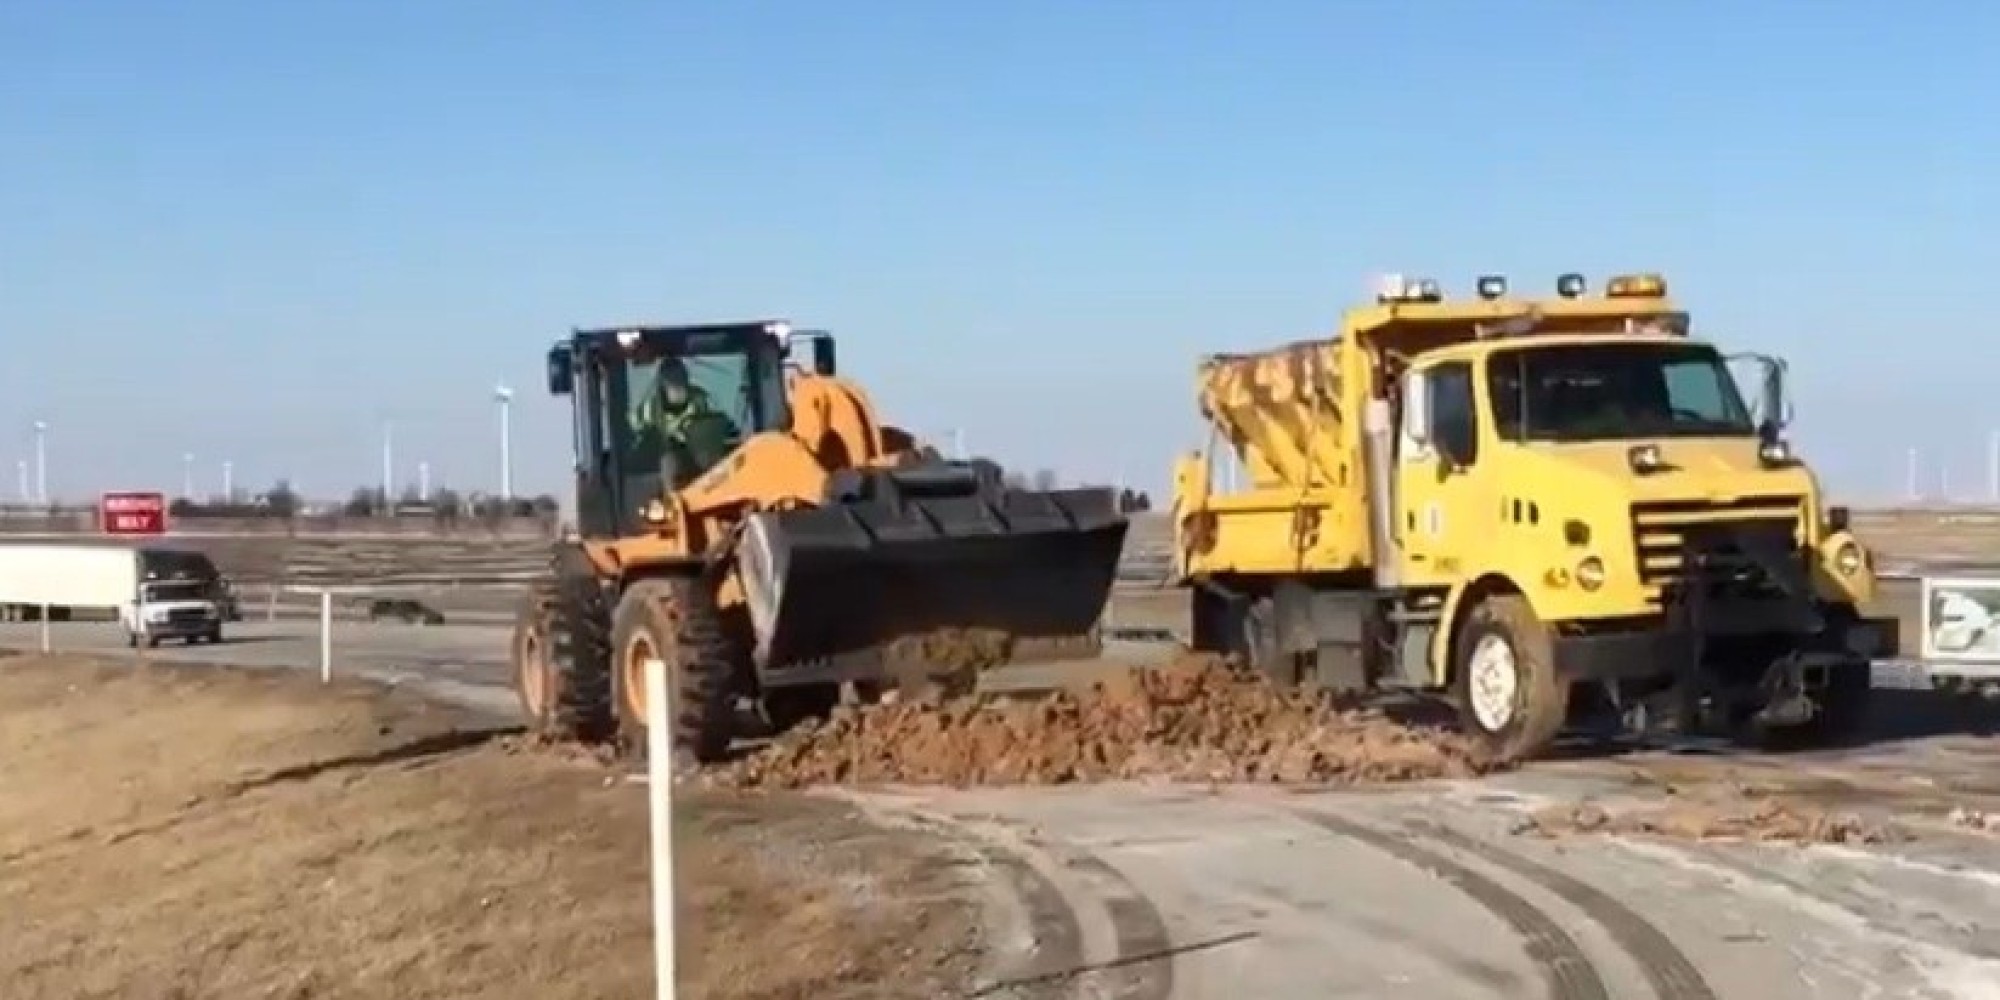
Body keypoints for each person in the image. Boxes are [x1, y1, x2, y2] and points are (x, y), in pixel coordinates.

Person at [632, 357, 739, 479]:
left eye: (680, 378)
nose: (676, 383)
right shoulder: (648, 410)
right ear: (662, 384)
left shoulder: (703, 400)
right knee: (670, 463)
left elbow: (718, 427)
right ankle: (673, 495)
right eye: (671, 380)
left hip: (704, 458)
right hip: (672, 459)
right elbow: (633, 437)